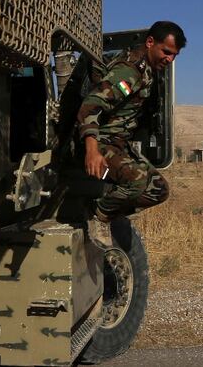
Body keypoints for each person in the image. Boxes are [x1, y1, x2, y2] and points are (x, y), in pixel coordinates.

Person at [76, 21, 186, 248]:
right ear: (149, 43)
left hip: (118, 142)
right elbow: (92, 103)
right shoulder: (130, 71)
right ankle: (97, 214)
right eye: (166, 52)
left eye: (174, 55)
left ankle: (106, 210)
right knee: (137, 183)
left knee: (159, 189)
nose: (169, 60)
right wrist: (91, 149)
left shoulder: (147, 69)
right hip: (101, 141)